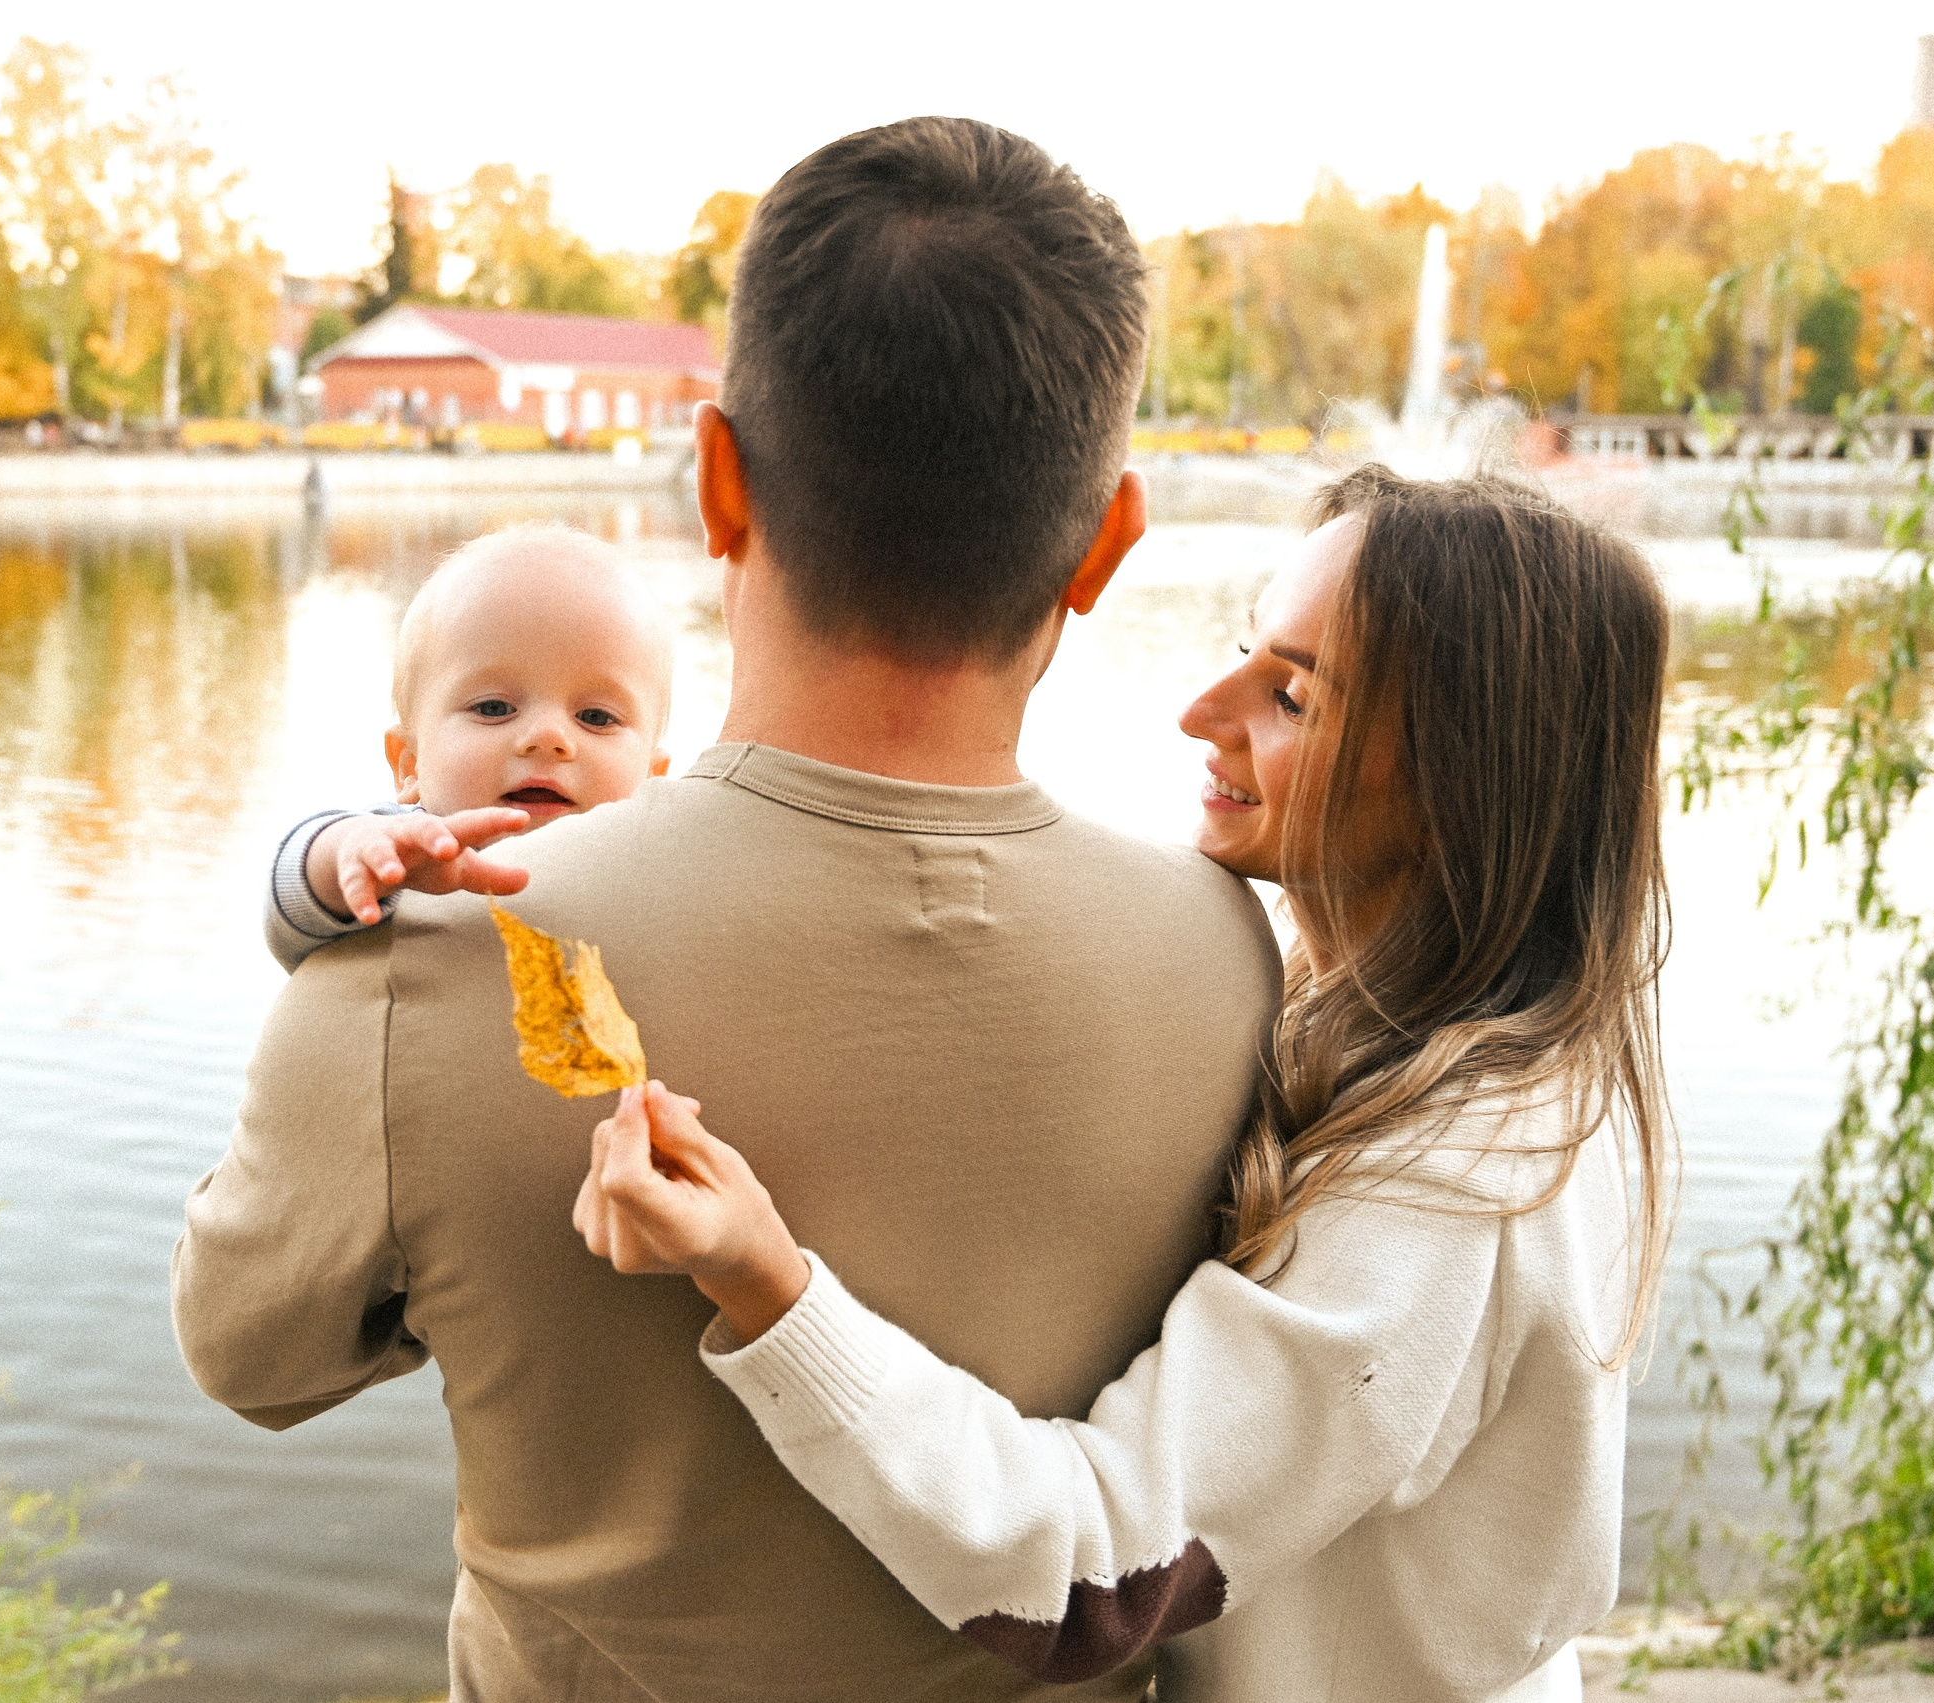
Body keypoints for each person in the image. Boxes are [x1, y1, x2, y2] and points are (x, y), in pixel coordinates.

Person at [172, 116, 1284, 1703]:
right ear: (1108, 538)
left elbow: (248, 1352)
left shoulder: (433, 944)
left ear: (714, 478)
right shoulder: (1234, 962)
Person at [573, 467, 1678, 1703]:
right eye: (1243, 651)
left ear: (1457, 781)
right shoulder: (1417, 1033)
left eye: (1292, 695)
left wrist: (766, 1283)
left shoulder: (1456, 1183)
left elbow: (1090, 1579)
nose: (1200, 710)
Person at [261, 524, 675, 972]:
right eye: (495, 707)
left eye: (596, 717)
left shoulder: (655, 877)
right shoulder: (413, 854)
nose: (548, 737)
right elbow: (288, 916)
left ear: (653, 780)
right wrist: (342, 850)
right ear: (410, 766)